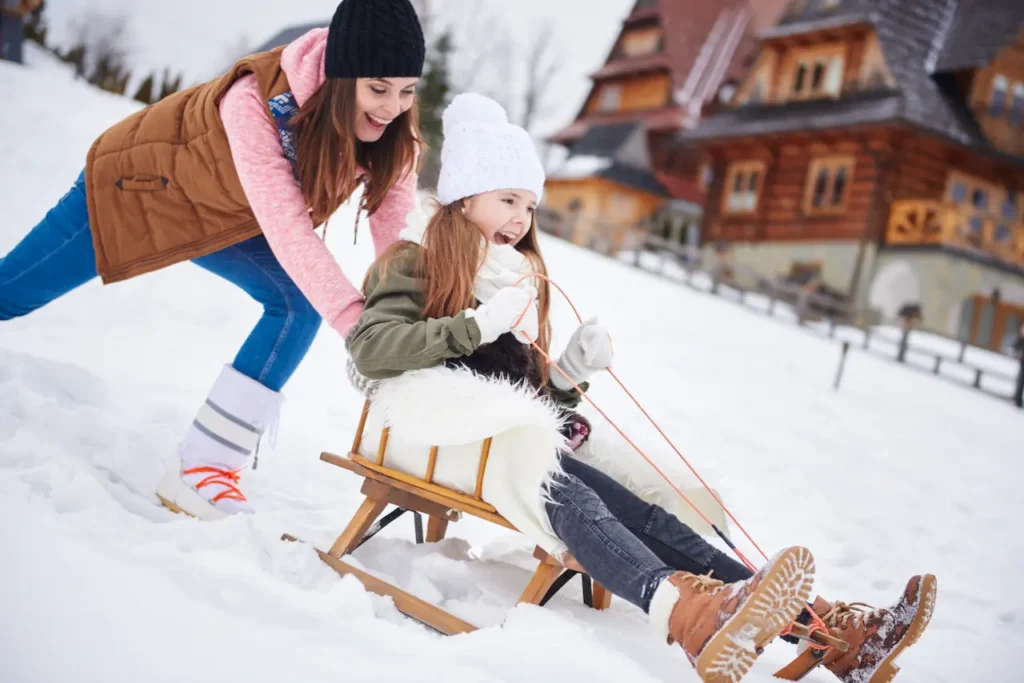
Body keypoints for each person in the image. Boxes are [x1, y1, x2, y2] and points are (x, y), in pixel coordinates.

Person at [344, 93, 938, 683]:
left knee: (648, 516)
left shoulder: (514, 279)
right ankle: (685, 615)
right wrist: (477, 325)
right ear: (465, 197)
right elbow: (371, 349)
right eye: (508, 200)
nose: (522, 220)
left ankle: (828, 632)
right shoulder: (414, 260)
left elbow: (528, 406)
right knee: (569, 494)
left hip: (504, 448)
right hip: (439, 440)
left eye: (530, 205)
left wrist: (568, 376)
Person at [0, 0, 427, 520]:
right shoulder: (254, 101)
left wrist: (406, 315)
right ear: (340, 76)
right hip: (134, 191)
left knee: (295, 307)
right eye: (378, 88)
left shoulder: (393, 135)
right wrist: (358, 327)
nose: (392, 106)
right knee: (12, 294)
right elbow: (288, 228)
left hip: (227, 218)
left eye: (406, 90)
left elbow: (395, 232)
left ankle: (202, 470)